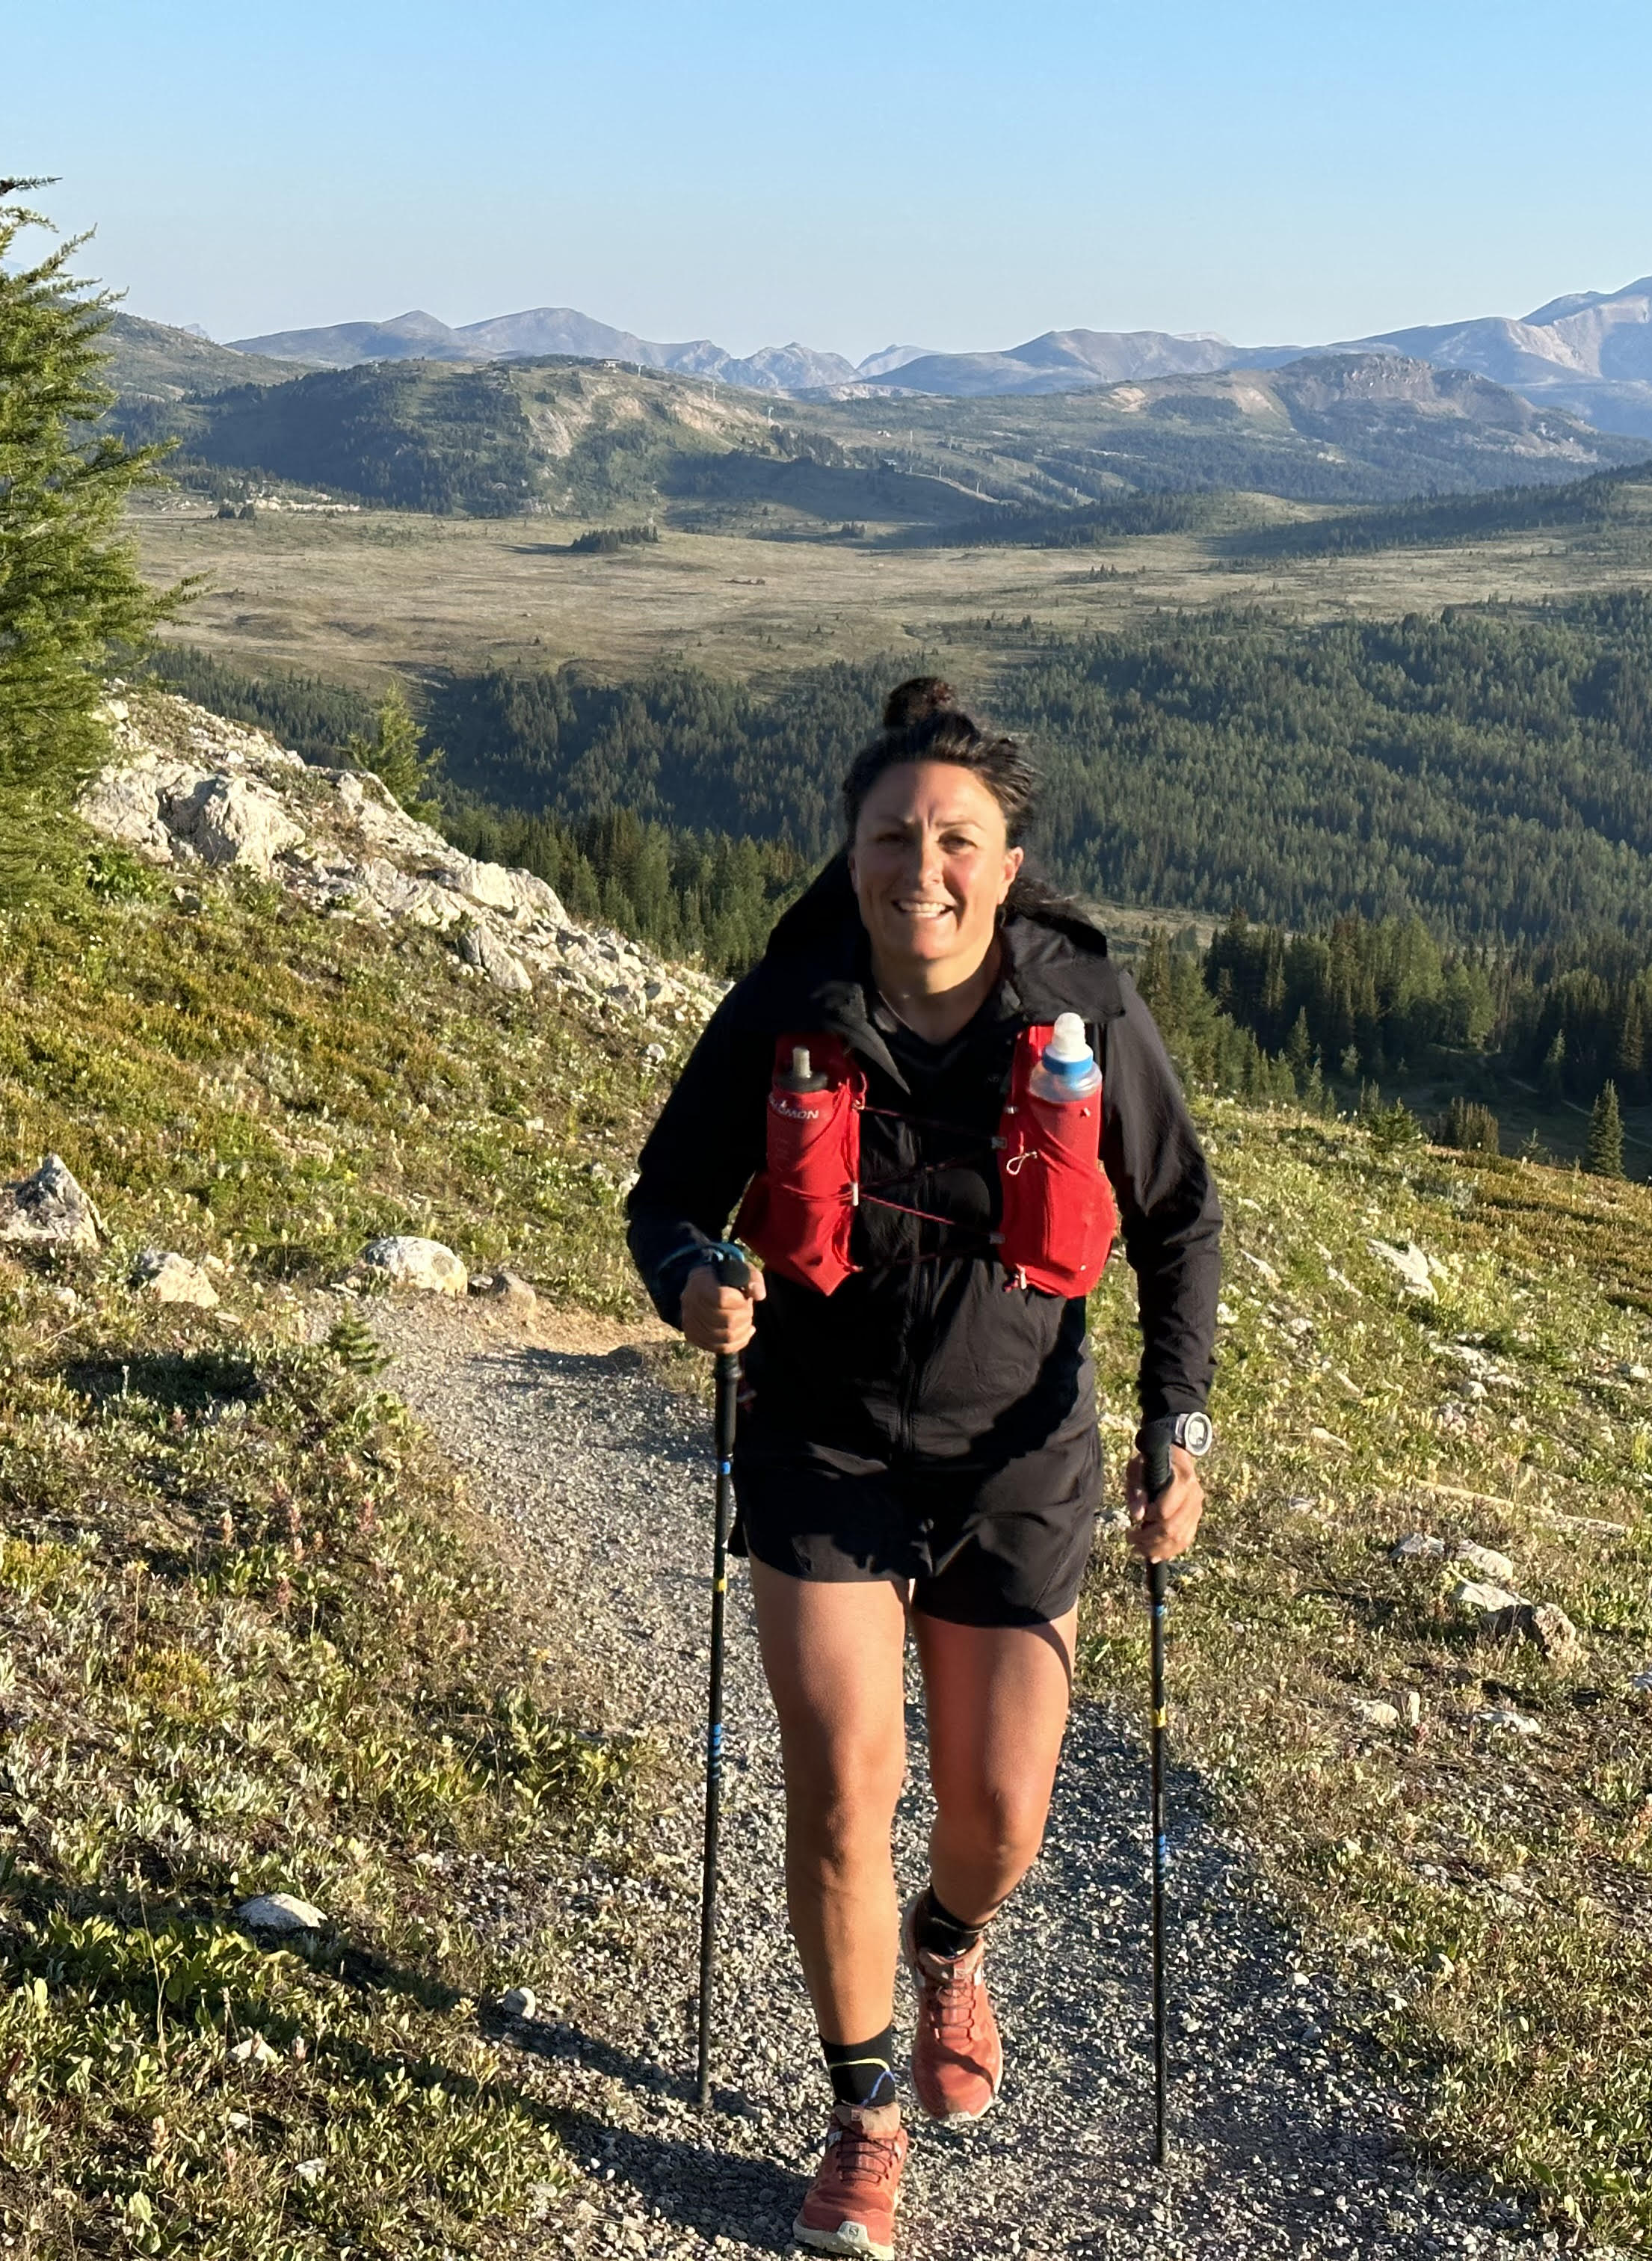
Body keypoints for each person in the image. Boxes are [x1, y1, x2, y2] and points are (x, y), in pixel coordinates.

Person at [627, 679, 1221, 2259]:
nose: (924, 867)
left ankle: (950, 1943)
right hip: (821, 1442)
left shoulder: (1082, 1010)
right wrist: (694, 1283)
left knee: (1001, 1813)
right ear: (853, 851)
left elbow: (1178, 1218)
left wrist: (1179, 1424)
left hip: (1020, 1456)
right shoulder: (787, 1004)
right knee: (842, 1788)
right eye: (894, 836)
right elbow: (668, 1199)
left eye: (958, 839)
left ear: (1009, 865)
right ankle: (862, 2117)